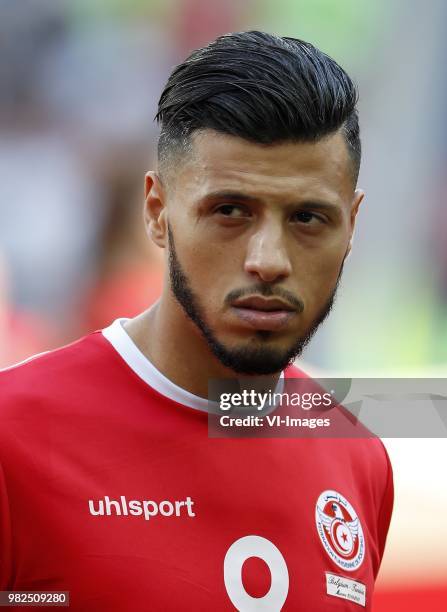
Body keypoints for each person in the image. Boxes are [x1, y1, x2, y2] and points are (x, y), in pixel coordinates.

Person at [0, 31, 393, 611]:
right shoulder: (15, 436)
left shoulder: (360, 459)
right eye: (230, 211)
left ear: (352, 224)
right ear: (158, 213)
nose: (268, 261)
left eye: (308, 217)